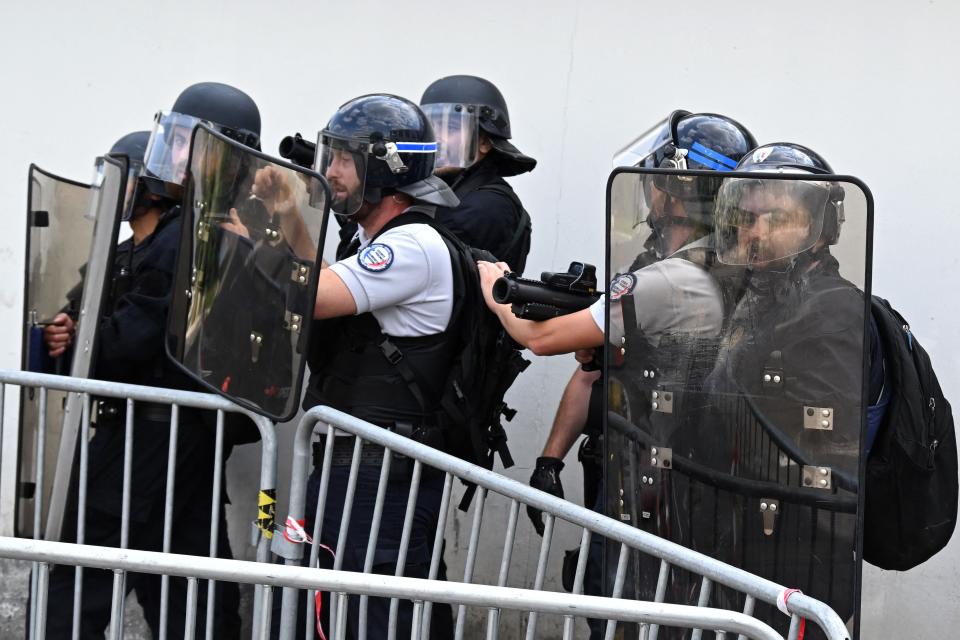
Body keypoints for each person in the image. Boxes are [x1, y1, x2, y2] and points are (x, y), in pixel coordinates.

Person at [40, 82, 261, 638]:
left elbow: (125, 343)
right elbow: (87, 323)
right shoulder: (156, 243)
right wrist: (73, 338)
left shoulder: (189, 237)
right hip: (155, 435)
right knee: (189, 582)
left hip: (150, 440)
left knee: (89, 575)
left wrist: (88, 344)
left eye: (189, 145)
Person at [287, 93, 463, 640]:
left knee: (369, 619)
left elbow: (311, 293)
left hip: (382, 473)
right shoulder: (374, 240)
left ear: (387, 167)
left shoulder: (411, 245)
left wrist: (274, 216)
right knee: (323, 607)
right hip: (358, 463)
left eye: (344, 159)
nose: (331, 172)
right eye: (331, 156)